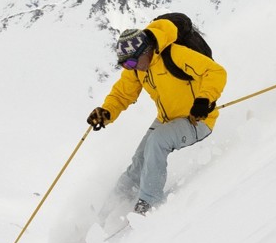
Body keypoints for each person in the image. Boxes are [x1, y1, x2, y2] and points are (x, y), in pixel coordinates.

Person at [86, 15, 227, 215]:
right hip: (166, 119)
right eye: (126, 65)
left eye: (132, 62)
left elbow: (215, 72)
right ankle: (109, 210)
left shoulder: (175, 55)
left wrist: (204, 100)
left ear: (146, 50)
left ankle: (148, 202)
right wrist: (106, 112)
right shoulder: (137, 69)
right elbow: (121, 94)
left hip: (197, 119)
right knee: (139, 161)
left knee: (157, 142)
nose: (131, 67)